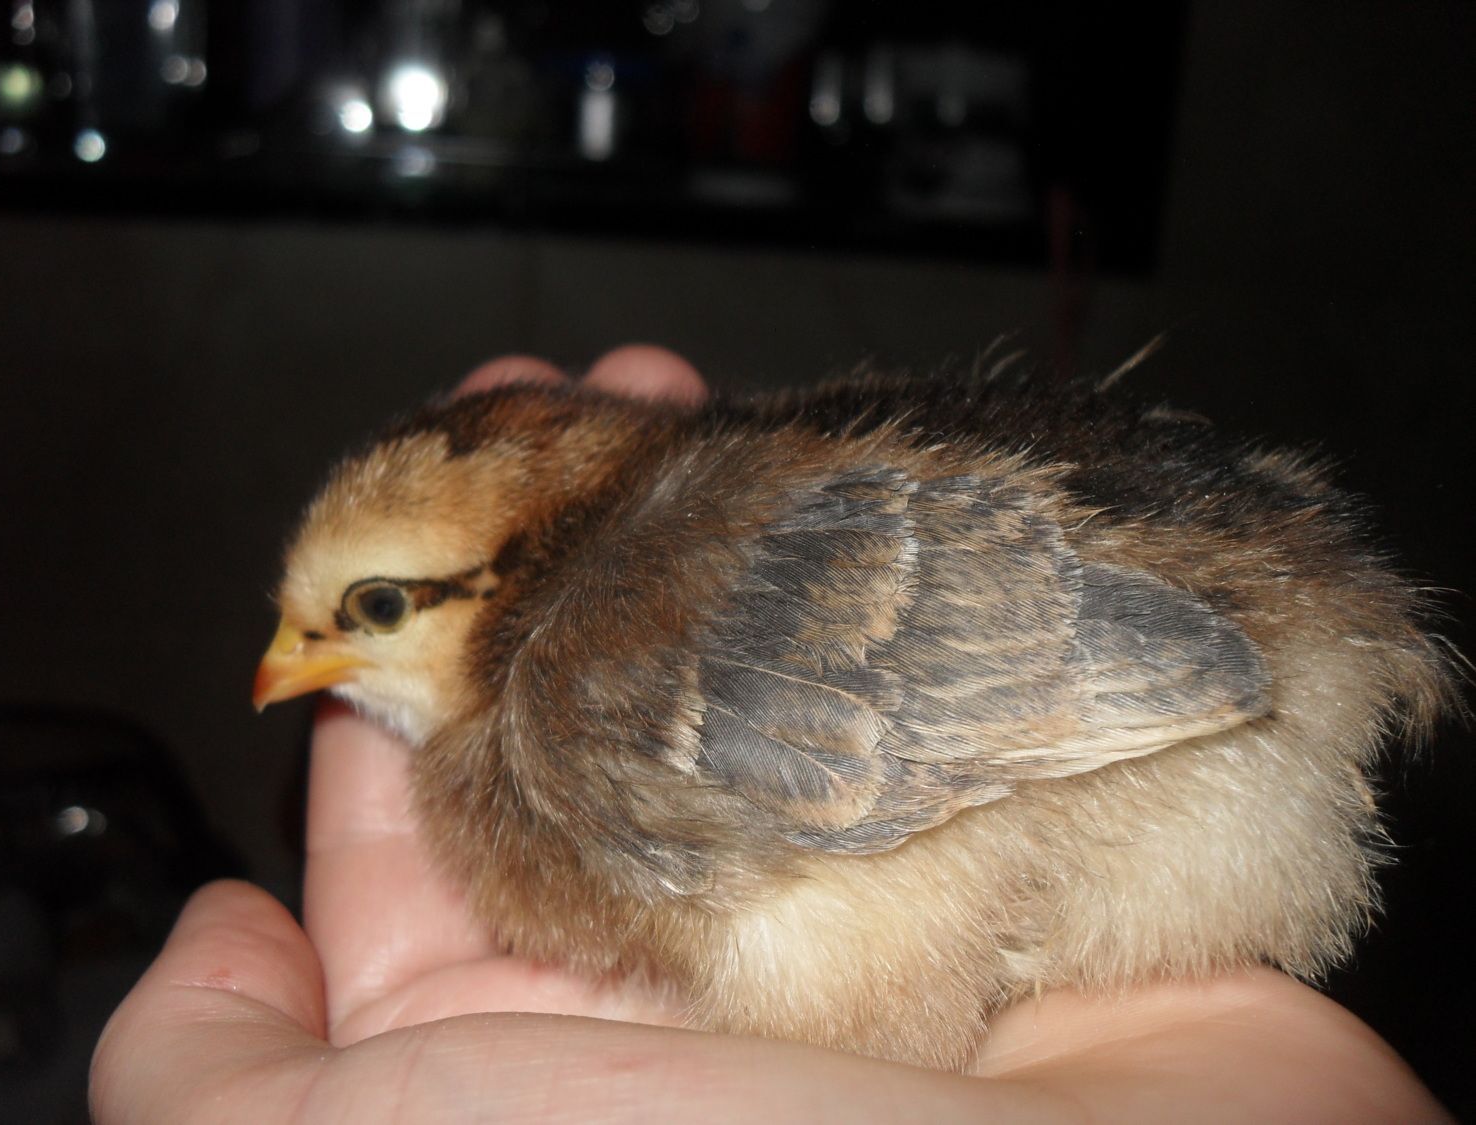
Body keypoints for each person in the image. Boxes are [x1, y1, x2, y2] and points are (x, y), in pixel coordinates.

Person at [89, 346, 1449, 1122]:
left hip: (1199, 727)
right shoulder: (693, 502)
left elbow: (863, 942)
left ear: (490, 576)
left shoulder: (573, 692)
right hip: (1226, 649)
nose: (294, 663)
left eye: (373, 609)